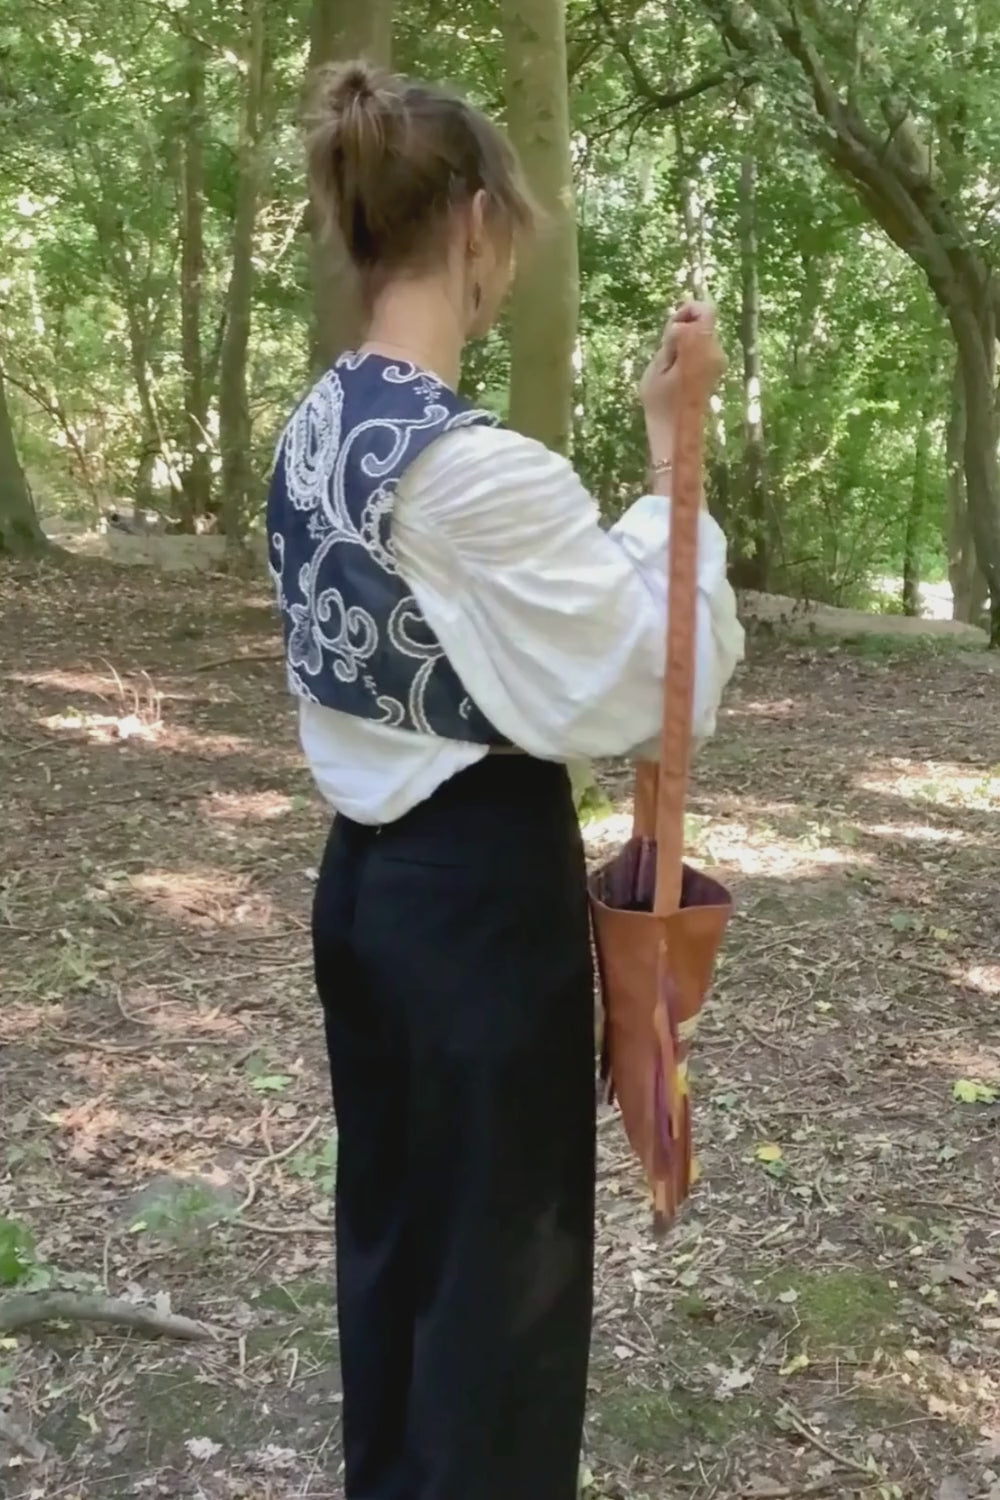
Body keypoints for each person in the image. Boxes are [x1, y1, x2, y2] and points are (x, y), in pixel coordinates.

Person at [267, 59, 744, 1500]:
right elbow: (660, 684)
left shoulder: (314, 434)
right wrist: (673, 476)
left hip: (363, 892)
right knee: (500, 1303)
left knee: (400, 1260)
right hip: (477, 908)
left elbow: (515, 635)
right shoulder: (476, 471)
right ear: (476, 225)